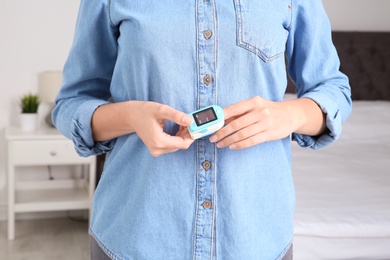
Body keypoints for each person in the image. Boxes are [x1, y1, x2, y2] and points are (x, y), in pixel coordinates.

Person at [53, 0, 352, 259]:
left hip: (255, 240)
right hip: (136, 236)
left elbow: (333, 88)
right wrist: (130, 116)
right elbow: (71, 103)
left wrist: (288, 114)